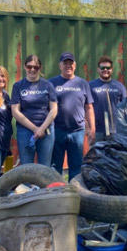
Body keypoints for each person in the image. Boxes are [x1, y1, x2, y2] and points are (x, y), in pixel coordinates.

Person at [49, 52, 95, 180]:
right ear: (60, 65)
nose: (68, 66)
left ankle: (74, 193)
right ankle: (57, 192)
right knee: (55, 166)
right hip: (57, 130)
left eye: (71, 63)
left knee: (76, 166)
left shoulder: (83, 83)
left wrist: (92, 129)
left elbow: (89, 107)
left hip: (77, 131)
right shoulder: (52, 83)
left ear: (75, 65)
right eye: (65, 63)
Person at [10, 55, 57, 166]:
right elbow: (15, 111)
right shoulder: (18, 86)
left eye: (35, 67)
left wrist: (42, 128)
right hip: (25, 131)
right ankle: (27, 184)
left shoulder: (48, 85)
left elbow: (54, 109)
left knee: (44, 167)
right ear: (24, 67)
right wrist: (35, 129)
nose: (32, 70)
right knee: (27, 166)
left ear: (40, 68)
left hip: (46, 130)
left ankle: (43, 184)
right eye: (29, 66)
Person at [89, 55, 127, 141]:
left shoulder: (119, 86)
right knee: (97, 154)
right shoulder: (90, 86)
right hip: (97, 131)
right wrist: (89, 129)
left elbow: (126, 108)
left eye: (108, 67)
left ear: (112, 69)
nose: (105, 70)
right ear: (98, 69)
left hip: (116, 131)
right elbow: (85, 107)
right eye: (102, 68)